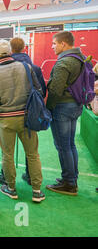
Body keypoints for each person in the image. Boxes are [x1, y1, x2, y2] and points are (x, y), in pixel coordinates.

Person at [0, 40, 45, 203]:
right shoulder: (26, 67)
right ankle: (37, 191)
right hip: (27, 118)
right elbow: (38, 90)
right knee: (33, 154)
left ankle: (11, 188)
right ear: (10, 52)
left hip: (6, 120)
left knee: (7, 155)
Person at [45, 31, 87, 196]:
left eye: (55, 43)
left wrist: (48, 108)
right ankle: (71, 179)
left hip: (62, 107)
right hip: (75, 105)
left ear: (63, 44)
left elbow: (56, 89)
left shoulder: (64, 62)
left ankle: (69, 183)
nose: (53, 46)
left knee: (63, 146)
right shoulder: (80, 58)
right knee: (69, 145)